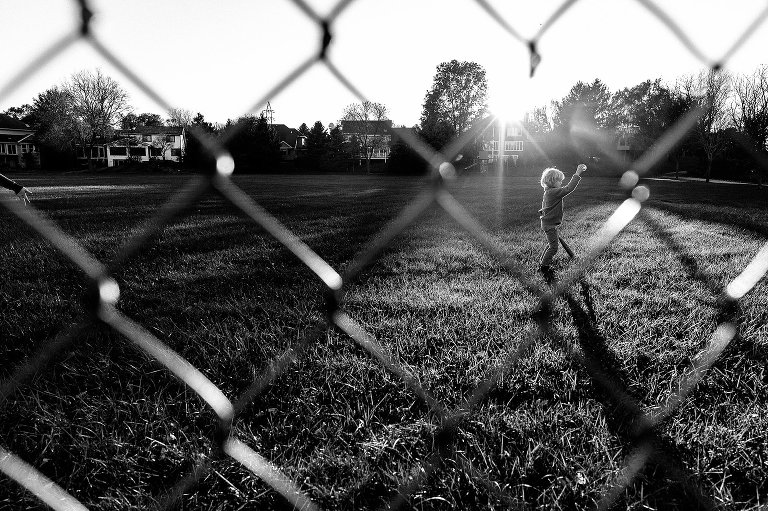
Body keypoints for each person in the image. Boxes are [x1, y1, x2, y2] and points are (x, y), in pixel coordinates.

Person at [538, 163, 586, 271]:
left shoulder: (548, 192)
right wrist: (577, 174)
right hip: (549, 224)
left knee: (551, 243)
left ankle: (542, 260)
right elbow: (569, 188)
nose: (561, 183)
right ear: (552, 181)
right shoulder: (554, 192)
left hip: (548, 223)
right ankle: (544, 266)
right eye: (559, 181)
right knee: (554, 247)